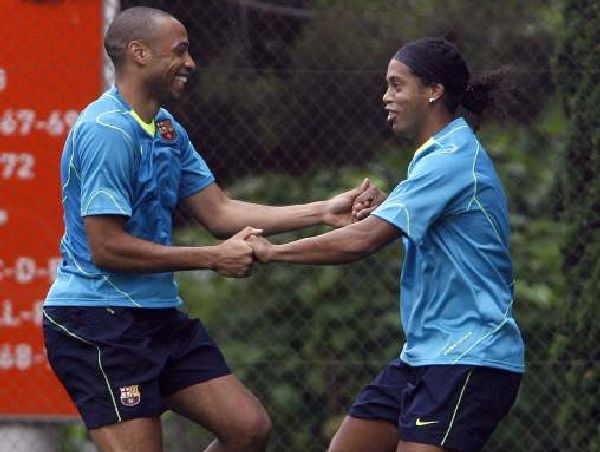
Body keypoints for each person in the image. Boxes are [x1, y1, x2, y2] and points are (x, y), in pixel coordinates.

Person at [42, 7, 383, 452]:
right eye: (180, 51)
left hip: (157, 315)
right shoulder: (107, 132)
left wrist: (322, 210)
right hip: (99, 322)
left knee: (247, 429)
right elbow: (107, 248)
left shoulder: (166, 129)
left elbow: (219, 211)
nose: (191, 63)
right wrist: (211, 257)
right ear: (139, 53)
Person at [249, 37, 525, 452]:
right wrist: (386, 207)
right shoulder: (436, 155)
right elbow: (429, 222)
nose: (386, 96)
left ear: (433, 91)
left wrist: (272, 252)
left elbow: (362, 240)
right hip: (423, 355)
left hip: (468, 356)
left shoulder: (452, 158)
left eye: (397, 85)